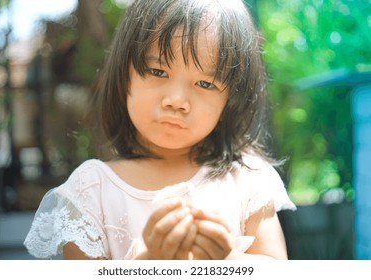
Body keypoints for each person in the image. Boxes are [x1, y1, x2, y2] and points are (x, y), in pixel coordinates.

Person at [24, 0, 296, 260]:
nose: (176, 100)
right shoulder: (92, 189)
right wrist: (149, 260)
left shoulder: (246, 177)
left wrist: (225, 259)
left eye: (204, 84)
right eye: (158, 71)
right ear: (124, 74)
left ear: (231, 100)